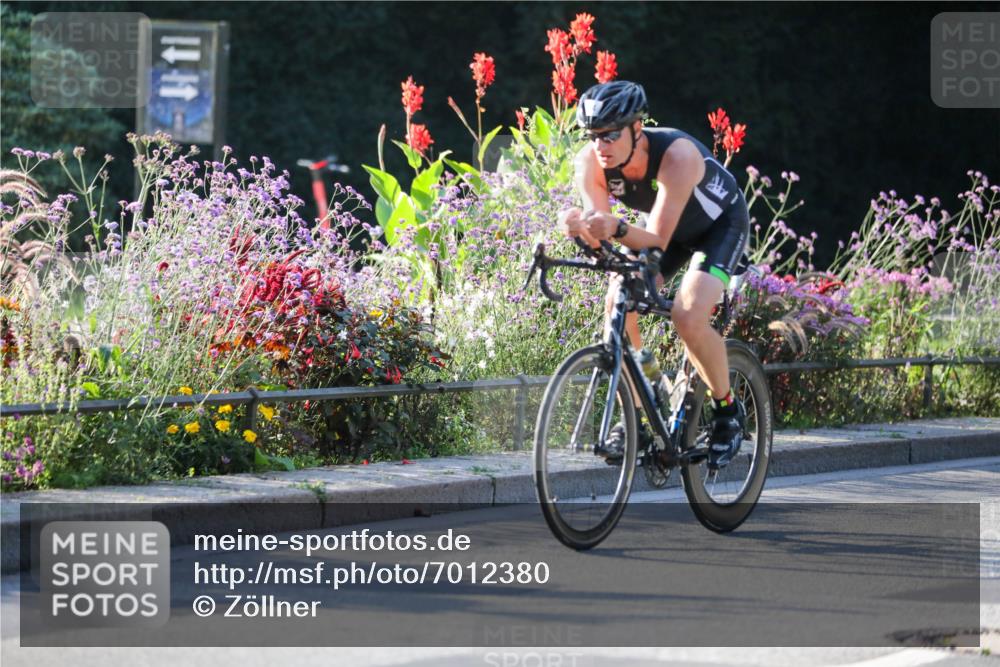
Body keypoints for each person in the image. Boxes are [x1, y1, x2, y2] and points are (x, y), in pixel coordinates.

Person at [557, 80, 749, 469]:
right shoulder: (590, 163)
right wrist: (581, 228)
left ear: (636, 129)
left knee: (687, 315)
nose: (601, 145)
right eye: (593, 136)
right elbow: (602, 235)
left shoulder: (677, 156)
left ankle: (727, 412)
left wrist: (614, 227)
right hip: (664, 232)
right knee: (618, 301)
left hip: (718, 227)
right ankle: (650, 396)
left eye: (610, 134)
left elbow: (656, 238)